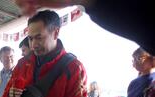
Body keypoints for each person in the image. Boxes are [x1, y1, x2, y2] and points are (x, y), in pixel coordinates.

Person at [13, 0, 154, 55]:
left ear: (56, 33)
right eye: (30, 39)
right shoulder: (24, 66)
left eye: (39, 37)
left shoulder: (72, 69)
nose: (33, 45)